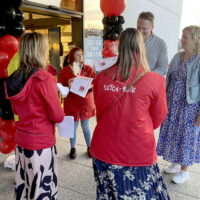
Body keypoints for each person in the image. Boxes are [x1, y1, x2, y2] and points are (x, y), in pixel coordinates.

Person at [89, 28, 170, 199]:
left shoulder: (101, 77)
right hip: (137, 151)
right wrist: (138, 125)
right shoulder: (155, 80)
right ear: (141, 46)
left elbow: (101, 112)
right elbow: (159, 117)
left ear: (120, 46)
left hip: (104, 148)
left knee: (109, 194)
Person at [4, 32, 64, 199]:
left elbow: (17, 110)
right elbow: (57, 115)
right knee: (41, 190)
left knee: (24, 187)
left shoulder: (15, 77)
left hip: (22, 140)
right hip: (41, 142)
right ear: (40, 50)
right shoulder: (44, 79)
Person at [157, 25, 200, 184]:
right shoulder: (177, 56)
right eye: (182, 36)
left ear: (195, 39)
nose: (182, 39)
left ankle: (185, 170)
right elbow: (169, 78)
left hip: (189, 107)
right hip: (173, 105)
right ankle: (176, 163)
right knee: (174, 134)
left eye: (185, 37)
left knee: (187, 137)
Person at [59, 47, 96, 159]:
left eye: (81, 55)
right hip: (72, 103)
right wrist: (68, 87)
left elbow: (95, 82)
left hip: (85, 102)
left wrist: (88, 86)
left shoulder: (88, 69)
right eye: (78, 55)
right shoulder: (65, 71)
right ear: (71, 57)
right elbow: (60, 85)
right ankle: (73, 148)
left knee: (86, 127)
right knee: (73, 127)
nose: (81, 57)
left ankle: (90, 147)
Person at [137, 11, 168, 76]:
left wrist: (146, 75)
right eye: (138, 28)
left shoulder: (161, 44)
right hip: (129, 80)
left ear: (152, 27)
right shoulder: (130, 39)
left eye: (144, 29)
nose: (140, 31)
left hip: (148, 82)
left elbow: (162, 68)